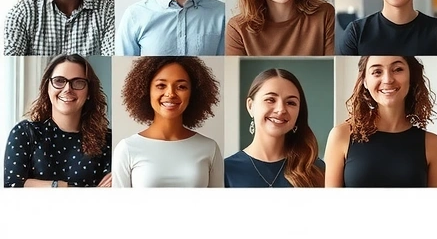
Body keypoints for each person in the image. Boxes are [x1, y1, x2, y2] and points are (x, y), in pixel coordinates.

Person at [323, 56, 437, 187]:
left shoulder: (433, 145)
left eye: (398, 69)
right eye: (377, 72)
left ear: (411, 77)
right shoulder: (341, 136)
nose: (388, 79)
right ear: (365, 81)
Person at [111, 56, 223, 187]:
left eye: (181, 87)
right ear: (146, 90)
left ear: (193, 93)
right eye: (161, 85)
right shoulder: (127, 149)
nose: (170, 93)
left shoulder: (209, 148)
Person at [3, 54, 112, 188]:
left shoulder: (107, 141)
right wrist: (63, 186)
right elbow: (12, 185)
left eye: (78, 82)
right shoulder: (25, 133)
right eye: (59, 81)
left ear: (89, 92)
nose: (67, 89)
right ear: (47, 87)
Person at [225, 69, 326, 187]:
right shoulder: (225, 170)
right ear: (250, 106)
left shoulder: (316, 169)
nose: (281, 109)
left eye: (291, 103)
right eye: (270, 100)